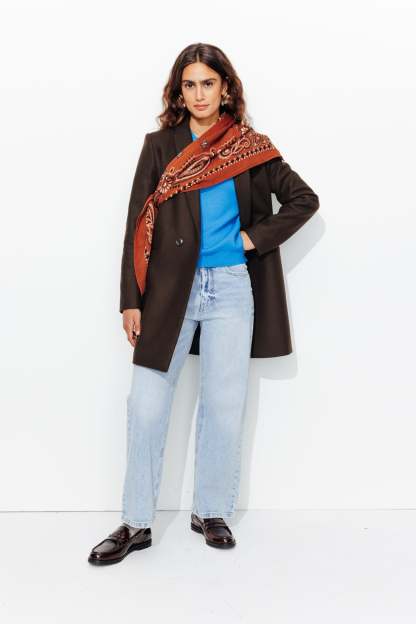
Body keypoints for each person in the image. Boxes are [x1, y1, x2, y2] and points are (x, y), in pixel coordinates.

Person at [88, 43, 319, 565]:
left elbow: (304, 199)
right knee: (146, 405)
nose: (199, 94)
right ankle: (135, 522)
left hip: (231, 288)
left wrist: (252, 239)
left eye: (208, 84)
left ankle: (210, 511)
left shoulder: (249, 147)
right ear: (179, 92)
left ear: (226, 88)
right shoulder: (160, 146)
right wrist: (131, 299)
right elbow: (137, 224)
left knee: (223, 403)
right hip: (169, 289)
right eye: (189, 85)